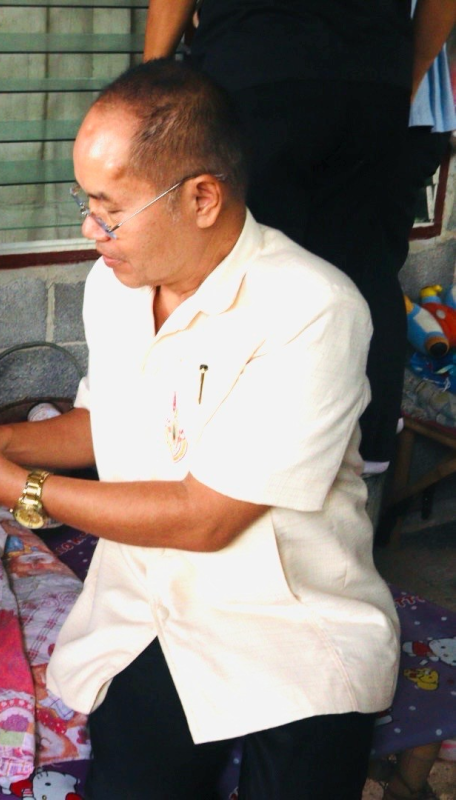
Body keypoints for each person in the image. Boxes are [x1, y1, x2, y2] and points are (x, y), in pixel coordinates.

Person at [0, 61, 400, 799]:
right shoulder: (114, 285)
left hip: (287, 617)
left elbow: (206, 517)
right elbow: (109, 423)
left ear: (201, 197)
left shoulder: (313, 309)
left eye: (109, 208)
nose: (91, 230)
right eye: (85, 204)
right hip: (149, 605)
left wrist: (19, 488)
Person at [144, 0, 414, 471]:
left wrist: (151, 84)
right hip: (375, 76)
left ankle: (219, 465)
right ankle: (361, 458)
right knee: (362, 263)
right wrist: (405, 70)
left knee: (239, 263)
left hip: (259, 64)